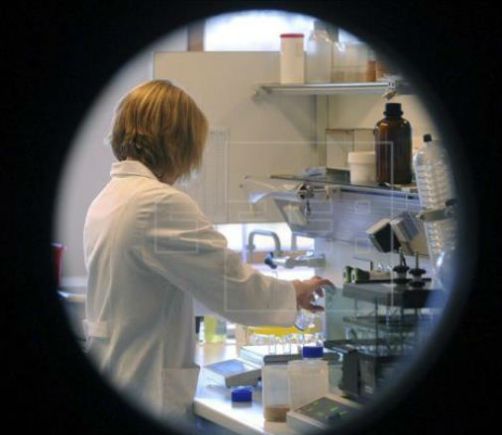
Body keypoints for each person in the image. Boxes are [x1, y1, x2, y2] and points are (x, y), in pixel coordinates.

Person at [83, 80, 332, 427]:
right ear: (178, 143)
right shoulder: (158, 203)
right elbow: (233, 286)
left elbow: (184, 284)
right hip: (145, 388)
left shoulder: (109, 198)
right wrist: (294, 292)